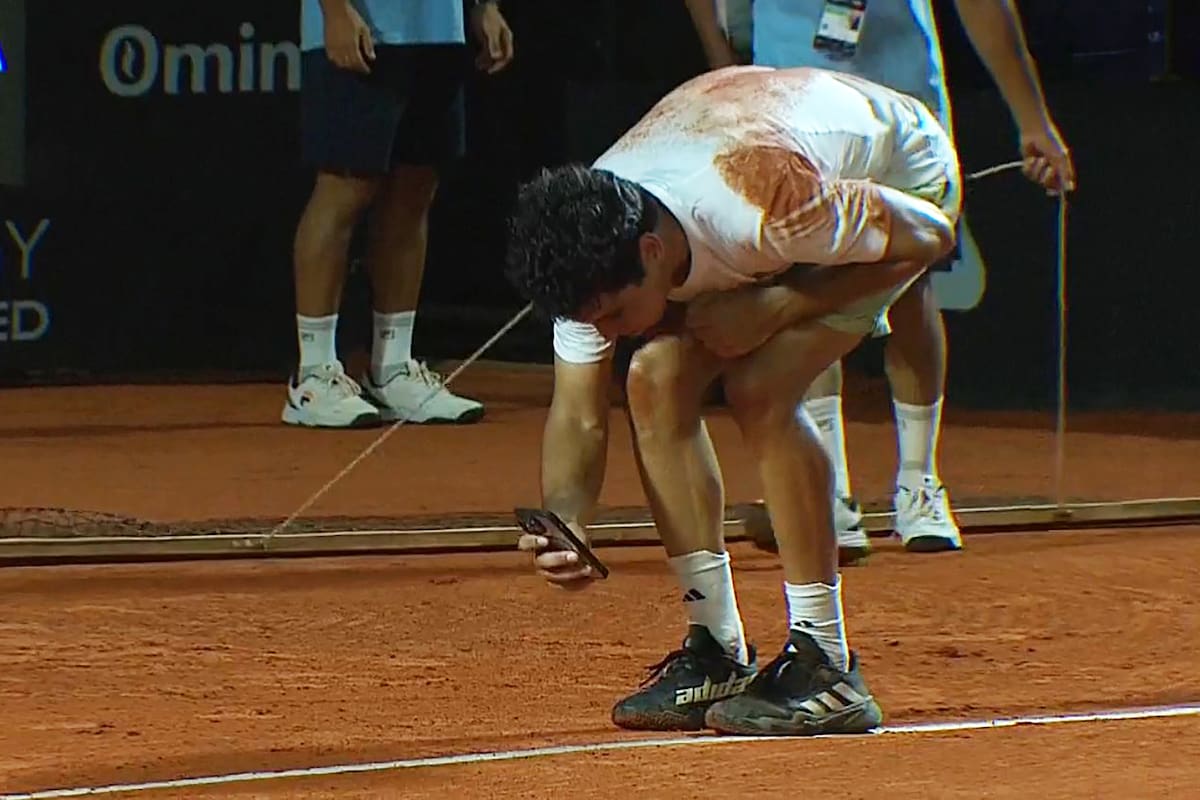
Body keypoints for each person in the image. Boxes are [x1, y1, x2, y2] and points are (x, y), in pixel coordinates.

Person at [505, 65, 961, 735]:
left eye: (614, 314)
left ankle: (827, 665)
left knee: (760, 386)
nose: (604, 333)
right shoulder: (591, 251)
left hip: (904, 182)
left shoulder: (768, 204)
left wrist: (784, 302)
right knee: (651, 379)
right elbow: (578, 410)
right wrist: (567, 524)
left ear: (652, 253)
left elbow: (933, 234)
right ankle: (717, 648)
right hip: (758, 171)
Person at [685, 0, 1076, 563]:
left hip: (904, 102)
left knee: (912, 289)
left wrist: (1032, 119)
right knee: (805, 289)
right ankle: (831, 494)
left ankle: (919, 484)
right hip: (793, 104)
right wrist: (725, 69)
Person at [283, 0, 514, 428]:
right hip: (362, 25)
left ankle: (393, 369)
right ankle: (313, 377)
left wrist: (483, 7)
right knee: (345, 188)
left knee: (414, 191)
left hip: (440, 33)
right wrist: (334, 11)